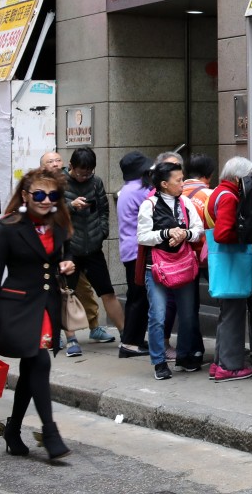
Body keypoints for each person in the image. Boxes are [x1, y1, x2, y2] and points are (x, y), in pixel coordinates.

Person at [0, 167, 76, 461]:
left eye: (52, 194)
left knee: (33, 367)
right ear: (25, 195)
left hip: (47, 306)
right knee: (38, 362)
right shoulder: (10, 226)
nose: (45, 199)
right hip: (17, 308)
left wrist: (67, 263)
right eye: (39, 194)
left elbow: (67, 252)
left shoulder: (59, 222)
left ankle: (12, 429)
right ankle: (50, 433)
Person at [138, 161, 205, 380]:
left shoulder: (185, 201)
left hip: (182, 264)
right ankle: (159, 362)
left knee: (187, 314)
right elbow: (143, 236)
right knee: (157, 315)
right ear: (164, 184)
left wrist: (184, 234)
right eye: (178, 180)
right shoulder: (149, 205)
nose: (182, 183)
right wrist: (167, 233)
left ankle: (184, 357)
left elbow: (198, 229)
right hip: (156, 267)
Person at [62, 147, 125, 357]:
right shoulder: (59, 182)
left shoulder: (96, 182)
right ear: (71, 166)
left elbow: (104, 209)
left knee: (107, 291)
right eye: (81, 173)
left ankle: (126, 335)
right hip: (69, 248)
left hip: (93, 247)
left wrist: (103, 231)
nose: (84, 177)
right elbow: (50, 210)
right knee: (67, 295)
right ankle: (71, 339)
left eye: (88, 173)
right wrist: (70, 206)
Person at [39, 150, 102, 345]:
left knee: (83, 289)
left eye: (58, 160)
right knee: (57, 291)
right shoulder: (40, 187)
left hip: (74, 247)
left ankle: (93, 327)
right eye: (51, 162)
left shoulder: (78, 182)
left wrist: (102, 231)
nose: (56, 164)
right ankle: (60, 335)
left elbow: (101, 208)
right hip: (49, 249)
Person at [207, 156, 252, 383]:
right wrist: (244, 237)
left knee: (227, 314)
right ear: (238, 177)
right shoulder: (229, 197)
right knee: (234, 315)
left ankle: (220, 363)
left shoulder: (217, 192)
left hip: (221, 264)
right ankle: (230, 366)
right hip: (232, 263)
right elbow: (222, 234)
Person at [116, 152, 152, 357]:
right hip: (138, 250)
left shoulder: (127, 189)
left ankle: (133, 340)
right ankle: (130, 343)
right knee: (139, 298)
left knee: (135, 296)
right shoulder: (141, 190)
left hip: (129, 250)